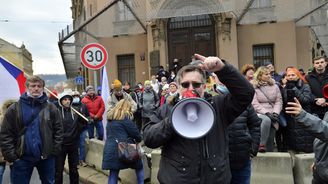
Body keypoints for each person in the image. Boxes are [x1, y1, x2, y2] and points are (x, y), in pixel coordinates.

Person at [143, 54, 255, 183]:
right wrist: (174, 119)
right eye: (185, 85)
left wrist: (223, 69)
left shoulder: (219, 106)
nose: (190, 88)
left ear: (204, 86)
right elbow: (149, 138)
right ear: (179, 87)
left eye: (196, 84)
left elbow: (246, 94)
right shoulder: (166, 109)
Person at [0, 75, 63, 184]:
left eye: (39, 86)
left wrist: (54, 150)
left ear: (43, 88)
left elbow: (59, 130)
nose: (36, 88)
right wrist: (12, 156)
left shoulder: (51, 108)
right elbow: (6, 134)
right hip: (21, 158)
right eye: (33, 86)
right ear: (27, 88)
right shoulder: (14, 109)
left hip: (46, 157)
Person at [286, 97, 328, 183]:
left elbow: (325, 131)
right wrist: (318, 161)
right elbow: (323, 140)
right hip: (320, 172)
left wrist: (303, 116)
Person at [102, 99, 143, 184]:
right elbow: (137, 135)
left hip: (110, 149)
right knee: (139, 166)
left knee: (113, 173)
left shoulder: (110, 119)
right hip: (124, 149)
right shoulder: (125, 119)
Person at [55, 91, 88, 184]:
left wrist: (86, 121)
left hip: (73, 144)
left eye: (69, 99)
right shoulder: (56, 112)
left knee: (74, 169)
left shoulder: (75, 111)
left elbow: (82, 126)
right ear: (61, 101)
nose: (67, 101)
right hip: (61, 145)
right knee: (58, 169)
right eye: (65, 99)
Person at [283, 67, 315, 153]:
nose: (291, 77)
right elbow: (285, 101)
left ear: (298, 75)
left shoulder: (305, 86)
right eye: (288, 75)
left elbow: (306, 100)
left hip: (303, 115)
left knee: (303, 141)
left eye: (293, 75)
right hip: (290, 117)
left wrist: (294, 89)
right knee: (293, 142)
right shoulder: (285, 87)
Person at [251, 66, 282, 152]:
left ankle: (269, 153)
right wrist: (267, 113)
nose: (269, 76)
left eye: (270, 74)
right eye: (266, 74)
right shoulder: (253, 86)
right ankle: (261, 144)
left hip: (273, 112)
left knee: (271, 135)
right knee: (267, 120)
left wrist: (275, 113)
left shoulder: (275, 86)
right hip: (258, 112)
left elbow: (278, 101)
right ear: (260, 76)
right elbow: (254, 103)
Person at [228, 105, 261, 184]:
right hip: (220, 164)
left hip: (242, 160)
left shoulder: (245, 103)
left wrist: (253, 149)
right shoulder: (214, 101)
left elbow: (255, 125)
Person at [71, 91, 90, 167]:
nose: (76, 97)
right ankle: (75, 160)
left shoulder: (83, 106)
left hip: (83, 128)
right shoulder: (70, 106)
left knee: (82, 144)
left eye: (77, 95)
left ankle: (82, 159)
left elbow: (88, 115)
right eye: (74, 96)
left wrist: (89, 119)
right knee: (75, 145)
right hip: (73, 129)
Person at [0, 99, 17, 184]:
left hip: (15, 154)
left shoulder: (21, 121)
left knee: (16, 178)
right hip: (1, 154)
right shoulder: (1, 120)